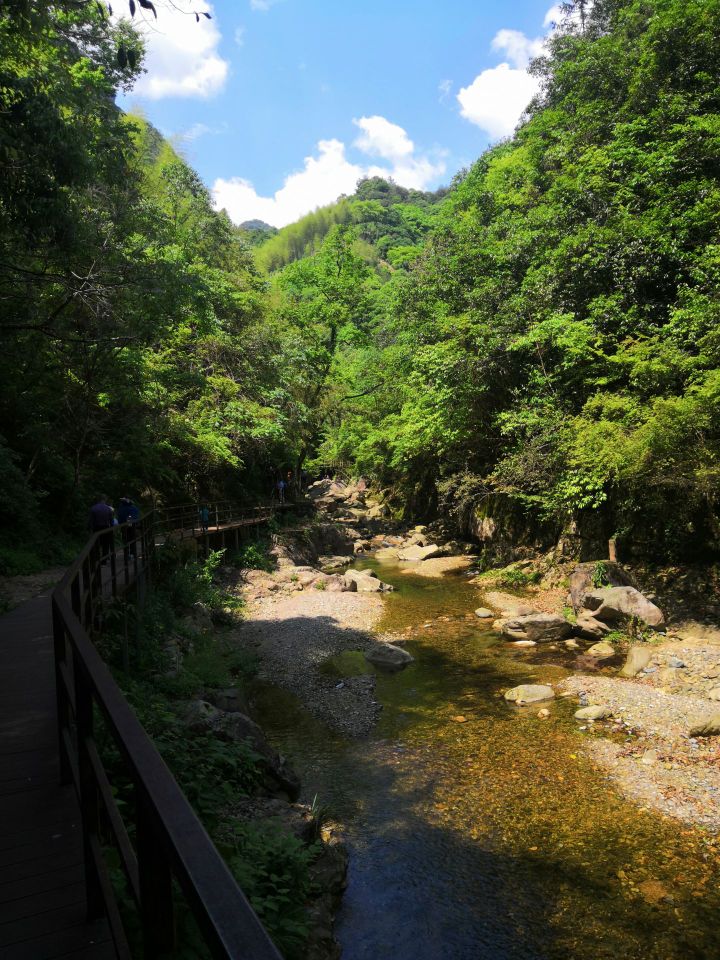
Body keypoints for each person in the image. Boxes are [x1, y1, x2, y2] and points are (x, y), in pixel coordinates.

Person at [89, 495, 114, 563]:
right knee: (105, 544)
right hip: (106, 528)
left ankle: (97, 559)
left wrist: (91, 530)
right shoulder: (108, 509)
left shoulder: (93, 508)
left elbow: (91, 521)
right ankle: (104, 560)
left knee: (97, 544)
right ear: (104, 500)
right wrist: (112, 528)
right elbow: (111, 520)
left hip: (96, 528)